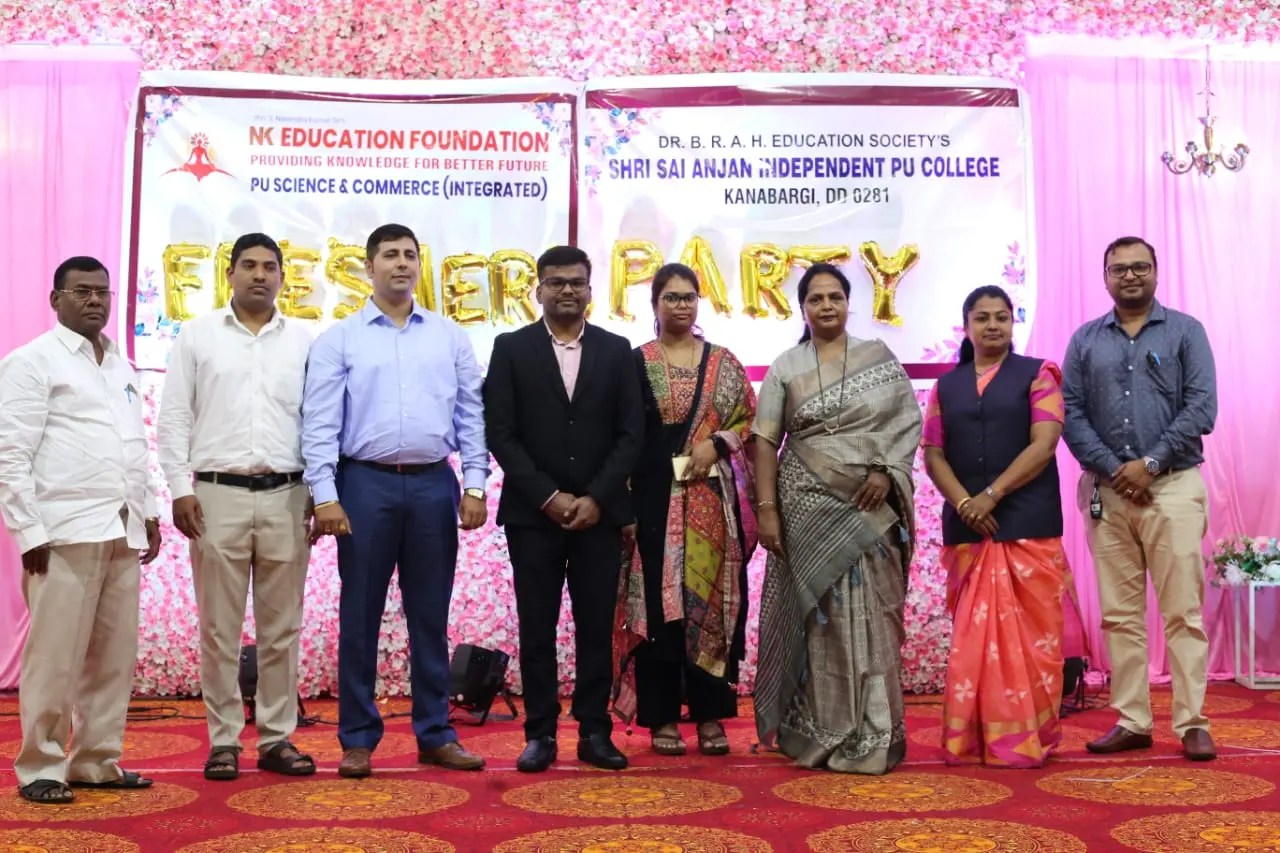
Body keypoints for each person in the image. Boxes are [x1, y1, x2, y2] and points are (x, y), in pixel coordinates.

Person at [302, 223, 490, 778]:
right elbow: (319, 424)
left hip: (435, 484)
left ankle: (435, 732)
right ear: (369, 267)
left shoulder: (450, 337)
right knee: (359, 614)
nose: (401, 264)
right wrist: (325, 496)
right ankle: (358, 738)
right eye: (390, 255)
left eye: (410, 255)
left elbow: (470, 418)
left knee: (430, 616)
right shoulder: (340, 338)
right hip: (364, 484)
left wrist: (475, 484)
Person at [0, 257, 162, 804]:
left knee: (112, 658)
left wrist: (147, 512)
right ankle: (41, 765)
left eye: (102, 292)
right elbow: (10, 454)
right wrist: (29, 532)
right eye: (82, 292)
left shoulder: (120, 364)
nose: (95, 301)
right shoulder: (30, 362)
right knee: (54, 657)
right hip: (62, 532)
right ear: (56, 300)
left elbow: (131, 446)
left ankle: (95, 760)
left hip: (121, 529)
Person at [157, 233, 316, 781]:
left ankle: (277, 739)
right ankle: (223, 740)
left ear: (282, 277)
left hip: (289, 496)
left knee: (282, 629)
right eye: (248, 265)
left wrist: (323, 491)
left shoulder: (304, 341)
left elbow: (319, 425)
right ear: (229, 273)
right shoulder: (198, 336)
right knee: (219, 629)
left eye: (270, 267)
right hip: (215, 496)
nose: (259, 275)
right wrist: (179, 487)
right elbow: (174, 418)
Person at [752, 262, 921, 775]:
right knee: (819, 623)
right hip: (805, 509)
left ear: (849, 303)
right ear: (802, 308)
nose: (826, 306)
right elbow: (764, 440)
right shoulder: (787, 365)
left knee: (874, 618)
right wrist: (767, 512)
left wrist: (887, 473)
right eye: (816, 298)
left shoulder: (879, 358)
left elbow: (906, 421)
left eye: (835, 297)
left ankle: (873, 735)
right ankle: (817, 732)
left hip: (870, 509)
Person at [484, 245, 644, 772]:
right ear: (538, 289)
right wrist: (549, 497)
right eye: (556, 282)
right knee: (537, 627)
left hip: (600, 516)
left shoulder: (618, 351)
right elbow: (501, 434)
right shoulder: (510, 349)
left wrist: (596, 496)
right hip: (534, 516)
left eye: (577, 282)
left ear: (591, 289)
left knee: (596, 626)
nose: (567, 291)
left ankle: (595, 732)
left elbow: (631, 433)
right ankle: (540, 733)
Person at [1062, 236, 1218, 761]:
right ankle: (1132, 719)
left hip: (1172, 486)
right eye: (1119, 269)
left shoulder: (1185, 331)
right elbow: (1071, 414)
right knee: (1120, 615)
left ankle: (1193, 721)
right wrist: (1114, 468)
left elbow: (1202, 407)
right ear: (1104, 277)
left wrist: (1149, 464)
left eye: (1140, 267)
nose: (1130, 276)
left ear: (1156, 271)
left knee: (1183, 612)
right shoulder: (1085, 340)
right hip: (1108, 493)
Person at [922, 285, 1088, 768]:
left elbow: (1045, 442)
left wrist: (991, 495)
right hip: (969, 526)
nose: (993, 326)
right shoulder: (945, 386)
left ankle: (1025, 738)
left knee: (1032, 641)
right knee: (974, 643)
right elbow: (933, 453)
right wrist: (964, 502)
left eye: (1002, 317)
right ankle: (974, 738)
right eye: (982, 318)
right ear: (967, 325)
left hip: (1026, 523)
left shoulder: (1039, 374)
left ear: (1013, 324)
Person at [612, 263, 758, 757]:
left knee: (712, 604)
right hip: (652, 501)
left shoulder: (724, 363)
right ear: (654, 304)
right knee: (659, 609)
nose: (681, 304)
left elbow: (749, 418)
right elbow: (622, 434)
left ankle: (711, 715)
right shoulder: (635, 363)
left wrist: (717, 443)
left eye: (689, 296)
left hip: (710, 505)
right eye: (671, 297)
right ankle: (662, 719)